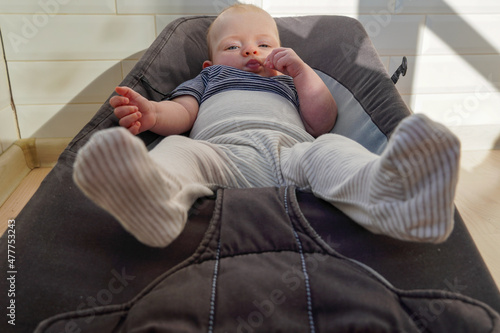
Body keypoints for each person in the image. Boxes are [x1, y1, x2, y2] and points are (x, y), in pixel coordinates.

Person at [73, 4, 460, 248]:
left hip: (291, 152)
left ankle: (391, 193)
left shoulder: (287, 81)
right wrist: (154, 114)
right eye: (232, 46)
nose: (249, 50)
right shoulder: (207, 81)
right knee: (176, 151)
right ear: (210, 64)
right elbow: (183, 114)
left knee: (332, 151)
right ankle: (154, 197)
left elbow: (322, 122)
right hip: (220, 153)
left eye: (262, 43)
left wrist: (302, 72)